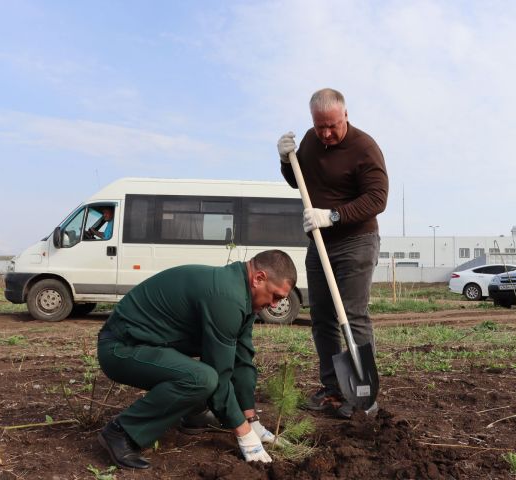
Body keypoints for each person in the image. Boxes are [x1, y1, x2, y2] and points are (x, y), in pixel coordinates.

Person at [96, 250, 297, 469]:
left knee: (209, 374)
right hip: (121, 348)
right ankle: (121, 432)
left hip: (153, 345)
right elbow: (219, 372)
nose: (276, 305)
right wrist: (244, 433)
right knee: (202, 378)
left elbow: (242, 359)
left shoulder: (243, 295)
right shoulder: (227, 296)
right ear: (258, 278)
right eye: (276, 296)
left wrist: (251, 419)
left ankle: (195, 414)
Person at [277, 88, 388, 418]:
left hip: (356, 241)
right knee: (322, 317)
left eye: (332, 125)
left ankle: (362, 395)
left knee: (351, 316)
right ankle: (333, 390)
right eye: (319, 125)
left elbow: (377, 199)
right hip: (320, 244)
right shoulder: (312, 141)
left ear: (345, 115)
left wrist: (333, 215)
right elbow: (298, 182)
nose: (325, 133)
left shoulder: (364, 148)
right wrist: (286, 161)